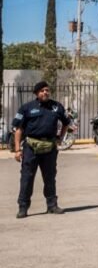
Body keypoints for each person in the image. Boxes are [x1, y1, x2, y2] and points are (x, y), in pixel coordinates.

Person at [13, 80, 71, 218]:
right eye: (42, 90)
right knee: (27, 178)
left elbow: (66, 124)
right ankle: (23, 207)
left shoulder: (57, 107)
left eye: (47, 90)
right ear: (36, 93)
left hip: (49, 148)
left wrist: (59, 138)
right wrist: (17, 150)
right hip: (31, 148)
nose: (45, 92)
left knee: (50, 177)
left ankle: (52, 205)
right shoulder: (26, 108)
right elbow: (18, 129)